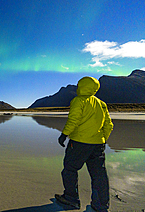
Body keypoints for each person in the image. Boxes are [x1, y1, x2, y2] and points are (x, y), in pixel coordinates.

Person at [55, 76, 114, 212]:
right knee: (99, 174)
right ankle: (100, 205)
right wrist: (102, 139)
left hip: (79, 143)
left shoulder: (78, 100)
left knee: (70, 169)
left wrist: (64, 134)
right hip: (97, 145)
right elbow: (109, 125)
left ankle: (71, 199)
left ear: (81, 86)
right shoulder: (101, 104)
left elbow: (73, 120)